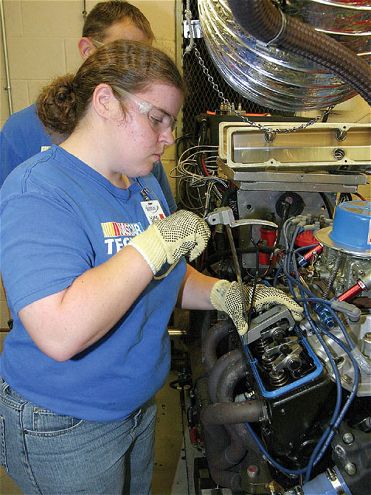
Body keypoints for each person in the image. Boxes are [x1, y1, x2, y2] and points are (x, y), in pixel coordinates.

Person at [0, 40, 302, 494]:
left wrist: (225, 293)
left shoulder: (142, 184)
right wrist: (152, 245)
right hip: (64, 423)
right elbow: (58, 332)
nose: (167, 136)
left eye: (171, 123)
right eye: (156, 118)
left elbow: (166, 277)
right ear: (105, 101)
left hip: (137, 405)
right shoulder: (39, 190)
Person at [0, 0, 176, 213]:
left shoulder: (143, 139)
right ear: (87, 49)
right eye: (122, 53)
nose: (137, 71)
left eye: (145, 59)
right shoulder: (22, 131)